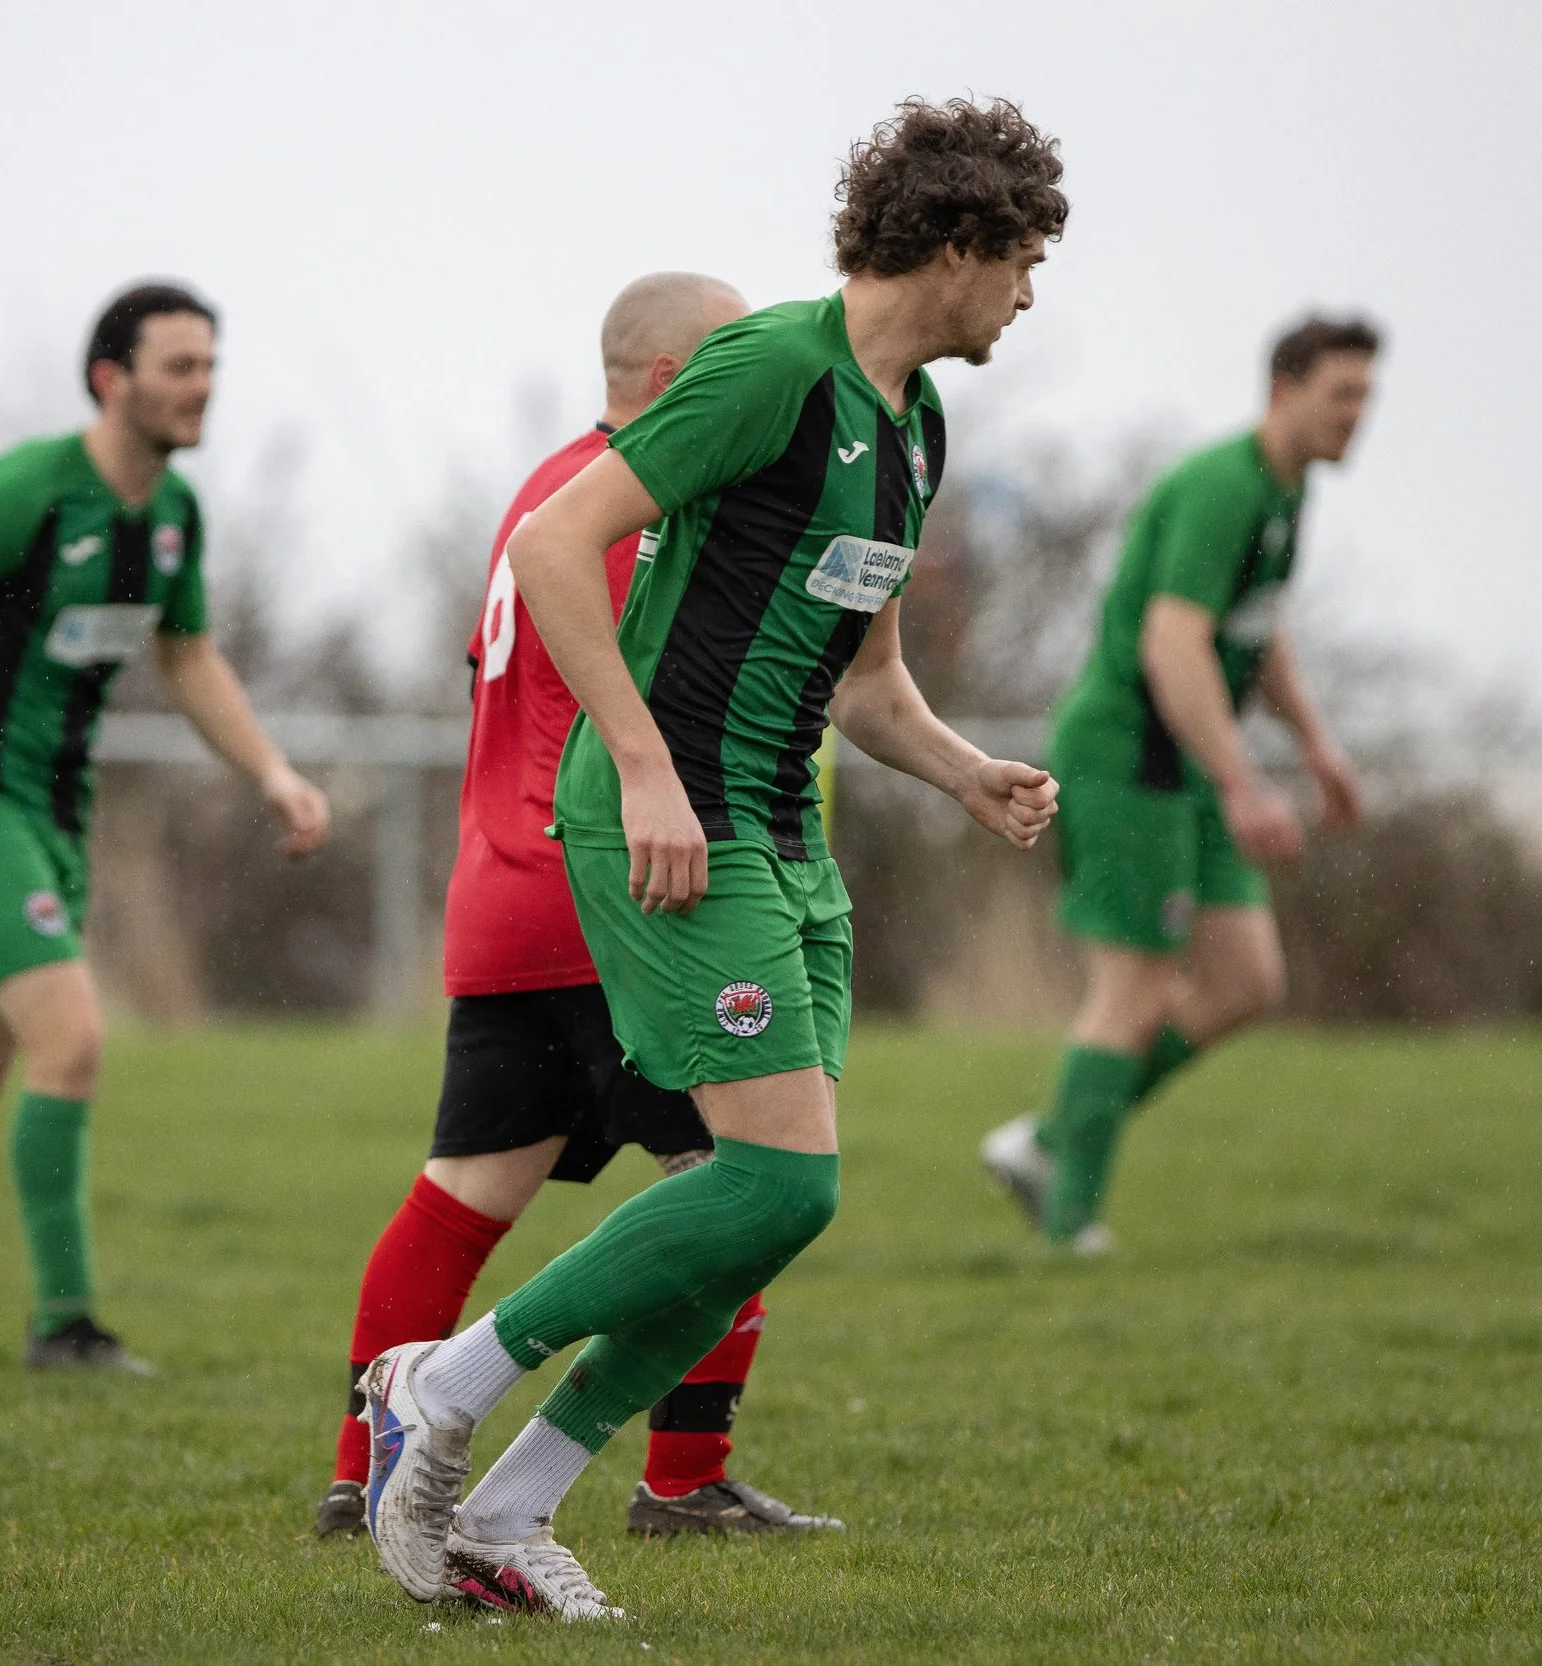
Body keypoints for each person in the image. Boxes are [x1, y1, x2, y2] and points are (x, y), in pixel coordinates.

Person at [361, 97, 1067, 1619]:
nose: (1027, 298)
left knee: (782, 1197)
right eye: (1021, 263)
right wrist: (640, 764)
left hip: (785, 840)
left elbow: (868, 683)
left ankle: (508, 1502)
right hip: (677, 828)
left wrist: (964, 774)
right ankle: (441, 1382)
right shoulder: (772, 369)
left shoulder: (913, 425)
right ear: (955, 247)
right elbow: (557, 541)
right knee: (765, 1180)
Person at [316, 273, 841, 1544]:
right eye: (734, 368)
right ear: (672, 383)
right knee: (746, 1179)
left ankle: (358, 1470)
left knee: (461, 1194)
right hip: (621, 886)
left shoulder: (538, 486)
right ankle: (679, 1478)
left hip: (498, 891)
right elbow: (660, 688)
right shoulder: (643, 508)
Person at [0, 281, 330, 1372]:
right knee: (73, 1037)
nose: (201, 387)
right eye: (178, 367)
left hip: (55, 811)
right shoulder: (24, 495)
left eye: (210, 366)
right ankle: (65, 1325)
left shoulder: (171, 518)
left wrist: (272, 772)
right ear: (112, 379)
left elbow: (187, 654)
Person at [982, 316, 1378, 1251]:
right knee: (1137, 987)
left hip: (1192, 765)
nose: (1357, 416)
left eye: (1367, 397)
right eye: (1341, 395)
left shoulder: (1285, 495)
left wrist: (1317, 744)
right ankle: (1069, 1225)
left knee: (1245, 980)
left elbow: (1257, 628)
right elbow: (1173, 642)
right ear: (1284, 389)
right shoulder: (1221, 487)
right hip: (1130, 757)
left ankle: (1047, 1141)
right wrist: (1246, 786)